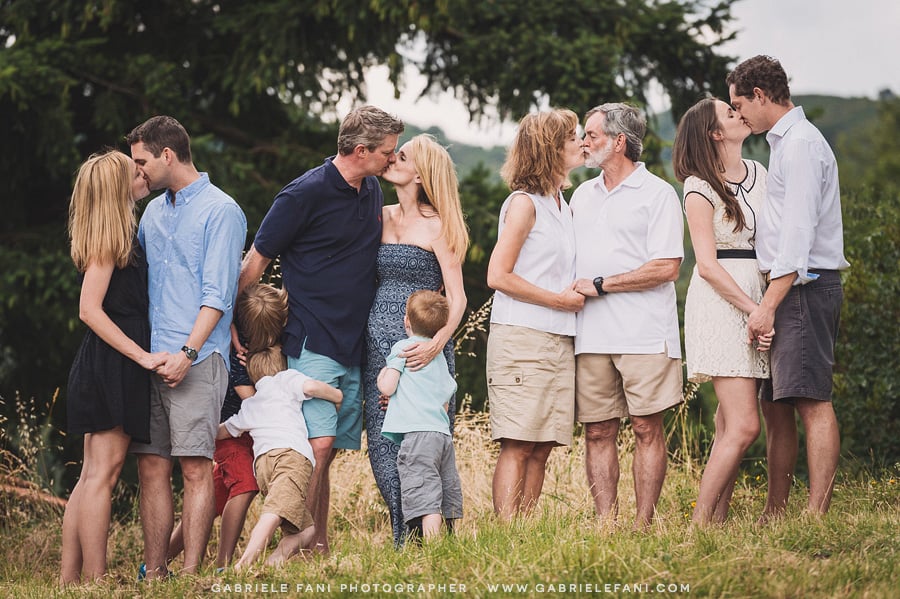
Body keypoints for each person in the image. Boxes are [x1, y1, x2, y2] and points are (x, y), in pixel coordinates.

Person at [238, 105, 404, 553]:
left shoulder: (369, 190)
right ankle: (292, 548)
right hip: (312, 337)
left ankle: (318, 546)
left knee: (324, 456)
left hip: (354, 344)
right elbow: (255, 262)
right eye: (388, 152)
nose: (393, 159)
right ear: (361, 150)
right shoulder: (302, 194)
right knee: (317, 446)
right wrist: (237, 330)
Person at [727, 55, 849, 519]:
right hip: (786, 288)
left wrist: (767, 306)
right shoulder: (784, 143)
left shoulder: (800, 145)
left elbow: (797, 239)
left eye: (740, 104)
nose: (738, 115)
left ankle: (816, 513)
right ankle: (775, 509)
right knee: (777, 403)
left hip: (803, 288)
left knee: (811, 400)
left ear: (761, 96)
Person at [127, 115, 247, 578]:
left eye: (142, 163)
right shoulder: (154, 212)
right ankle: (156, 573)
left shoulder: (222, 211)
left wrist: (188, 354)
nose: (139, 172)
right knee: (151, 468)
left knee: (196, 468)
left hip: (197, 359)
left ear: (167, 156)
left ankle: (192, 574)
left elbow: (218, 294)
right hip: (151, 358)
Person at [571, 103, 684, 529]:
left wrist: (601, 284)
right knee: (597, 431)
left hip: (644, 333)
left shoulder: (657, 194)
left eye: (592, 135)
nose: (584, 142)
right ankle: (606, 523)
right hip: (591, 335)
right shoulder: (581, 195)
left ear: (619, 142)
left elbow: (666, 267)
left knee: (645, 428)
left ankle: (642, 524)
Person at [60, 151, 168, 585]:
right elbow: (89, 309)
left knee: (91, 476)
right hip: (113, 364)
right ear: (115, 187)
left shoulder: (119, 234)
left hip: (108, 362)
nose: (142, 174)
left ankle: (70, 581)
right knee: (101, 476)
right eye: (134, 170)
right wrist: (141, 357)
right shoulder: (110, 242)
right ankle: (95, 580)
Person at [672, 97, 773, 524]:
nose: (738, 114)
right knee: (747, 425)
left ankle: (717, 520)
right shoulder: (698, 187)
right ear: (715, 133)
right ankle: (698, 524)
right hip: (722, 302)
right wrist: (754, 309)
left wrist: (770, 303)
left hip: (759, 294)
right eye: (728, 114)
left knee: (728, 423)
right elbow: (707, 265)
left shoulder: (759, 174)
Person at [364, 133, 468, 545]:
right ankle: (406, 538)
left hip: (424, 355)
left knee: (423, 451)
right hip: (379, 353)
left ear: (421, 173)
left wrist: (436, 344)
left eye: (401, 155)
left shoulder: (440, 226)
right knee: (384, 452)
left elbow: (458, 298)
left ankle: (433, 546)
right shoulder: (380, 214)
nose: (391, 158)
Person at [486, 109, 585, 520]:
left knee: (544, 443)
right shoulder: (525, 205)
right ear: (550, 148)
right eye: (573, 137)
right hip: (522, 336)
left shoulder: (562, 204)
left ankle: (524, 531)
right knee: (519, 440)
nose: (581, 142)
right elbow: (497, 274)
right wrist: (557, 301)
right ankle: (507, 532)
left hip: (559, 338)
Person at [166, 283, 286, 568]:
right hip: (229, 431)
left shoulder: (261, 342)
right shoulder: (239, 355)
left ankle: (160, 559)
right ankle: (224, 563)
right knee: (245, 486)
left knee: (213, 500)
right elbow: (253, 400)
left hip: (247, 435)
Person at [218, 346, 343, 570]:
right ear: (282, 366)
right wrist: (337, 396)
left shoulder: (250, 404)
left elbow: (225, 430)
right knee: (273, 513)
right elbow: (312, 387)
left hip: (263, 467)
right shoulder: (286, 379)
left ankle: (274, 561)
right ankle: (244, 564)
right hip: (290, 458)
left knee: (306, 529)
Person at [377, 290, 463, 542]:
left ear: (406, 322)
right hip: (441, 434)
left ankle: (434, 550)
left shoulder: (404, 348)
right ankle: (448, 542)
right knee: (444, 487)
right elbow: (446, 397)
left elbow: (388, 387)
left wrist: (382, 375)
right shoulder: (438, 356)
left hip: (417, 435)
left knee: (425, 494)